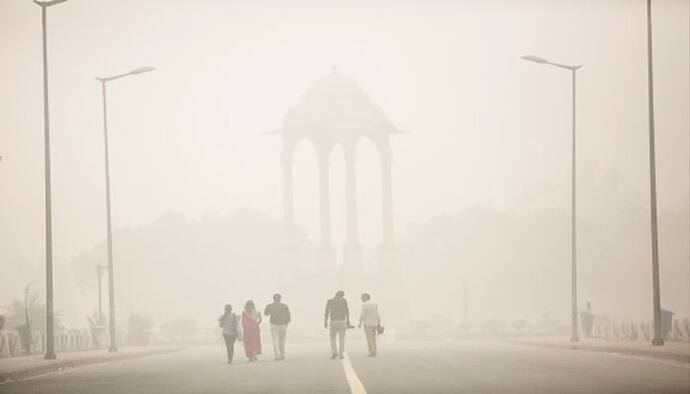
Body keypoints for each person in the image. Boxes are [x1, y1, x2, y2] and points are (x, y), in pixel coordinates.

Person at [264, 293, 291, 360]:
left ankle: (277, 355)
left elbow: (266, 313)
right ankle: (282, 354)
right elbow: (288, 317)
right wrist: (286, 324)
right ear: (280, 299)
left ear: (273, 299)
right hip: (283, 325)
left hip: (274, 325)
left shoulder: (270, 306)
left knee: (275, 340)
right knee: (282, 340)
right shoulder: (284, 306)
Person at [324, 290, 350, 360]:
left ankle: (334, 353)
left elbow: (327, 312)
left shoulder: (330, 301)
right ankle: (340, 354)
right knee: (342, 338)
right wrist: (348, 321)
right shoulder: (344, 301)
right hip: (342, 321)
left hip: (333, 321)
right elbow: (347, 311)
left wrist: (325, 322)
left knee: (333, 338)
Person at [358, 293, 381, 357]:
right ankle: (375, 351)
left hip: (367, 324)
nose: (361, 298)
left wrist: (360, 322)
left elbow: (363, 314)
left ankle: (372, 352)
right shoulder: (374, 304)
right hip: (375, 324)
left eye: (362, 297)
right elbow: (377, 314)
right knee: (373, 338)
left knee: (369, 338)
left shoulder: (364, 305)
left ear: (365, 297)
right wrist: (379, 323)